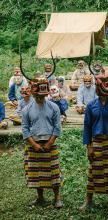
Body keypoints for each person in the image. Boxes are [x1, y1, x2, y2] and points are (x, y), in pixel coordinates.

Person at [80, 67, 108, 212]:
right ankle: (88, 200)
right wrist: (89, 146)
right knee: (93, 171)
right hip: (96, 142)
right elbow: (87, 127)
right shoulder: (91, 105)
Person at [20, 64, 63, 208]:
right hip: (34, 144)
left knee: (54, 171)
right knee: (36, 172)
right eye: (36, 91)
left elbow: (57, 127)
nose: (39, 94)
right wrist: (35, 145)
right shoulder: (26, 109)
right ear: (33, 92)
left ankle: (57, 197)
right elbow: (25, 128)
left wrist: (49, 143)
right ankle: (40, 197)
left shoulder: (54, 107)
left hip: (50, 143)